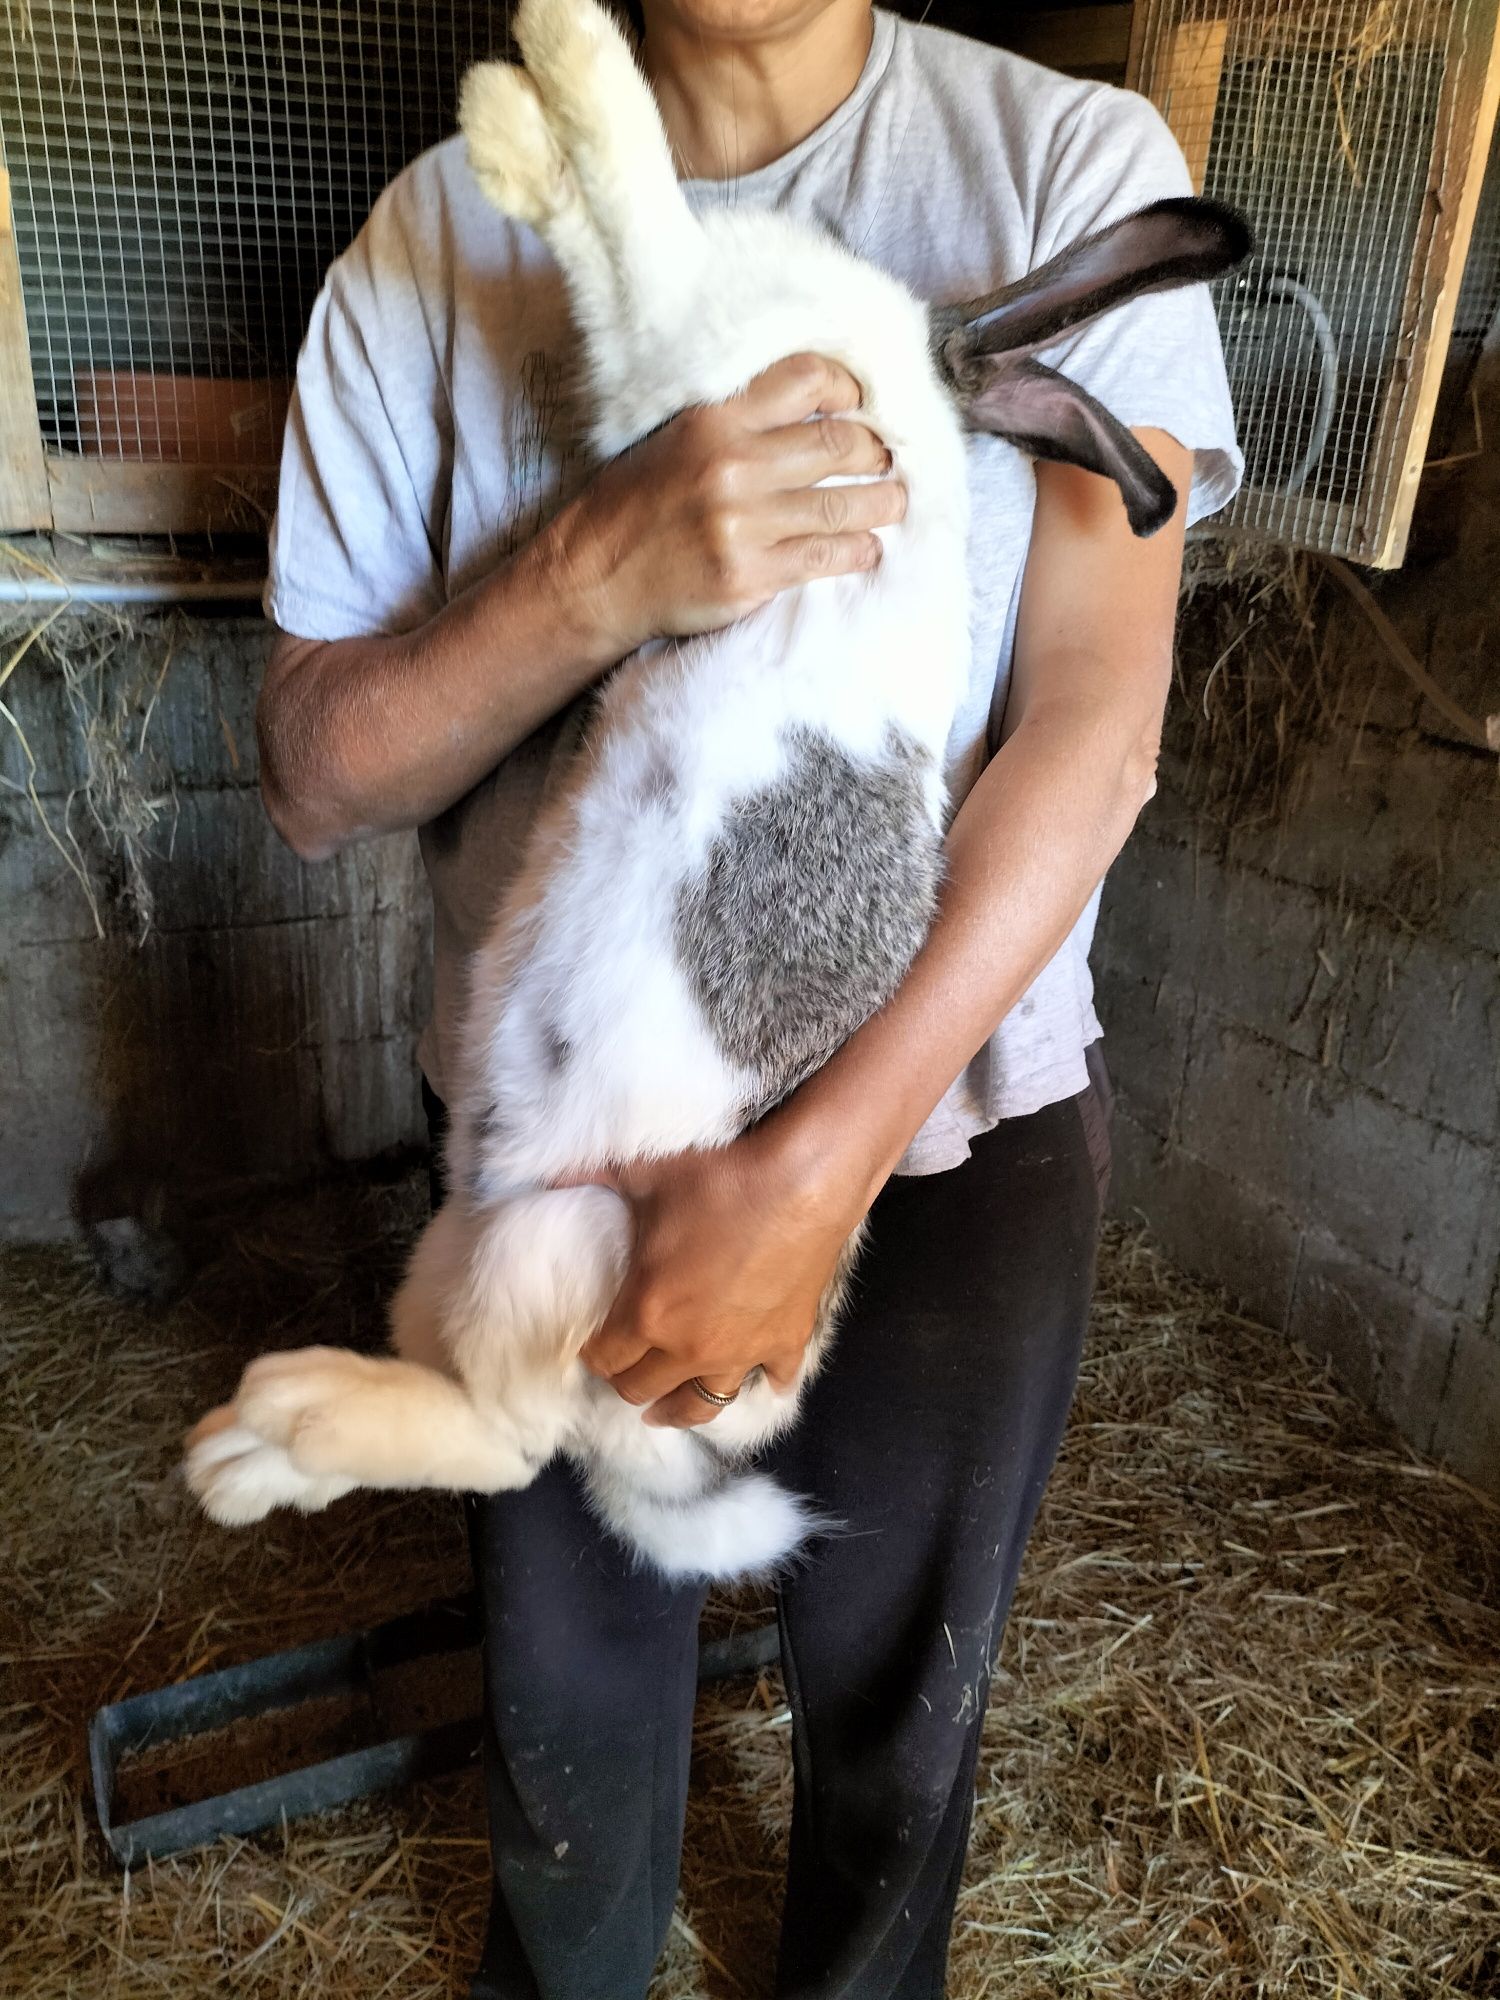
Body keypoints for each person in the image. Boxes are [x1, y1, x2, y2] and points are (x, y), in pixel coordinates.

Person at [258, 3, 1240, 1993]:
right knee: (571, 1727)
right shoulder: (419, 246)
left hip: (949, 1129)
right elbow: (316, 769)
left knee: (904, 1709)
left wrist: (816, 1177)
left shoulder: (1064, 167)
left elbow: (1095, 723)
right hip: (574, 1145)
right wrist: (592, 573)